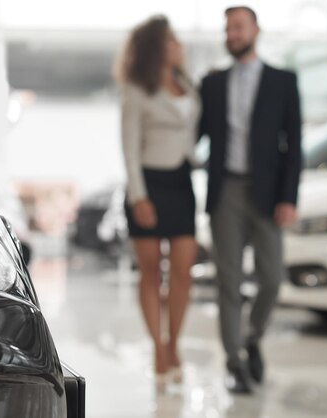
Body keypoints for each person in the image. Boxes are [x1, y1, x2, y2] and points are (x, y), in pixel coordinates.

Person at [198, 6, 302, 394]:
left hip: (268, 193)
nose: (233, 34)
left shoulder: (283, 81)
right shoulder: (212, 83)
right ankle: (234, 362)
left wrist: (289, 197)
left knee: (273, 278)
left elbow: (294, 145)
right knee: (229, 282)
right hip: (225, 191)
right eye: (228, 29)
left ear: (256, 30)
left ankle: (253, 337)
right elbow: (193, 133)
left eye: (239, 27)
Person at [115, 16, 199, 391]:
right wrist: (139, 197)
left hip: (182, 184)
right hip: (149, 185)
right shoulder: (136, 90)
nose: (178, 44)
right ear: (157, 46)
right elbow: (129, 151)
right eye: (171, 40)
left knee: (182, 273)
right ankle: (158, 351)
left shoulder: (189, 86)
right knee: (151, 273)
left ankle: (173, 343)